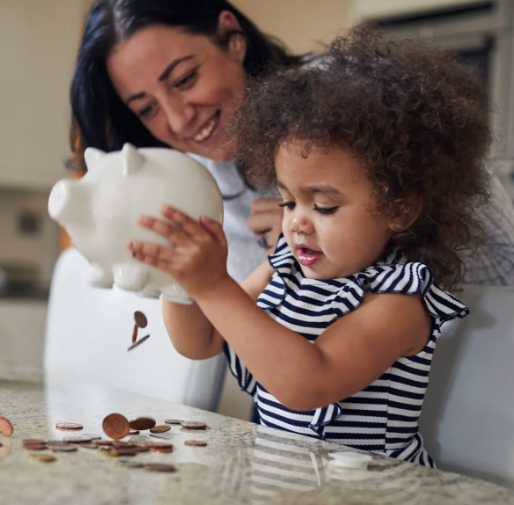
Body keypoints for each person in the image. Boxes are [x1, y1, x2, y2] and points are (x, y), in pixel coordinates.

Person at [127, 28, 492, 467]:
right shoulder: (283, 268)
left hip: (377, 493)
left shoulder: (398, 301)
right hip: (285, 483)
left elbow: (309, 382)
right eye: (288, 201)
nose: (296, 221)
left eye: (323, 206)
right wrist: (181, 281)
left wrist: (214, 285)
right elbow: (201, 340)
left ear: (399, 209)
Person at [70, 0, 514, 287]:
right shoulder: (189, 177)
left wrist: (339, 250)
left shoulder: (354, 106)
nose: (179, 118)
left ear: (232, 37)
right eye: (147, 108)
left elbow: (504, 263)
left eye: (185, 79)